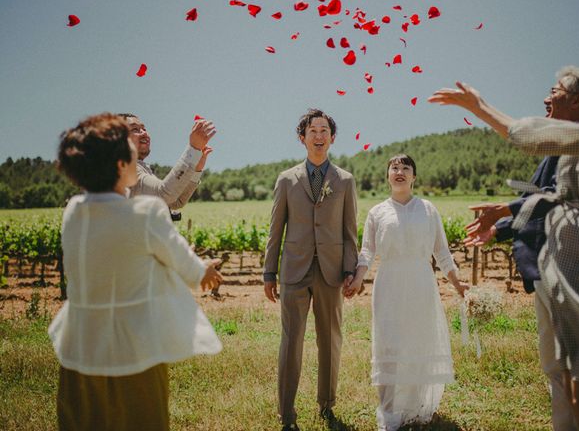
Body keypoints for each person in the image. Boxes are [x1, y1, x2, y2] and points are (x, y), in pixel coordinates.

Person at [429, 41, 579, 431]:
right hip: (573, 259)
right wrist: (507, 211)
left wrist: (479, 107)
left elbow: (530, 137)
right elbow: (558, 194)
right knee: (577, 384)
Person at [50, 113, 223, 431]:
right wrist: (205, 270)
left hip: (79, 350)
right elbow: (185, 265)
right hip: (135, 350)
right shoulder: (146, 213)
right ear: (120, 165)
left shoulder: (73, 212)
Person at [343, 154, 467, 431]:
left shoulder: (428, 209)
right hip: (389, 284)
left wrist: (458, 283)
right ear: (387, 176)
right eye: (394, 168)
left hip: (421, 284)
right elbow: (367, 252)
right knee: (389, 345)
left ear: (414, 176)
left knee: (417, 342)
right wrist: (358, 279)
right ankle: (389, 413)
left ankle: (415, 408)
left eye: (405, 168)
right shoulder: (377, 212)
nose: (399, 172)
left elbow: (442, 252)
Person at [263, 109, 358, 430]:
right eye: (312, 130)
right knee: (291, 341)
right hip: (294, 270)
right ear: (302, 137)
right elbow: (275, 229)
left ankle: (327, 404)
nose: (318, 136)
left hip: (332, 272)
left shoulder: (345, 180)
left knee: (330, 339)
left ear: (332, 138)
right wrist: (268, 272)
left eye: (324, 130)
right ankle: (286, 413)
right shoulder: (287, 179)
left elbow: (349, 230)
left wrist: (350, 270)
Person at [119, 113, 216, 211]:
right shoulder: (125, 169)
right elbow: (164, 195)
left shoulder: (139, 168)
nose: (144, 133)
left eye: (144, 129)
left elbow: (176, 202)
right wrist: (193, 149)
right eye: (135, 129)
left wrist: (196, 170)